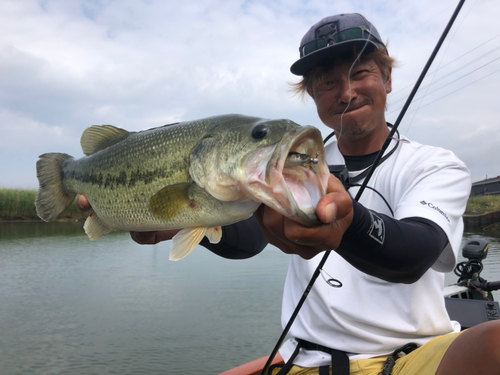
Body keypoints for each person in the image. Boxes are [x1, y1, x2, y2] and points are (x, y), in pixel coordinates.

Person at [78, 13, 500, 375]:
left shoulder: (433, 164)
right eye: (328, 83)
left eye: (360, 73)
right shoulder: (287, 166)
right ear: (313, 96)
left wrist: (348, 225)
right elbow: (250, 239)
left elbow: (416, 254)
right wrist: (179, 220)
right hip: (303, 361)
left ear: (387, 78)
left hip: (412, 358)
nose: (346, 91)